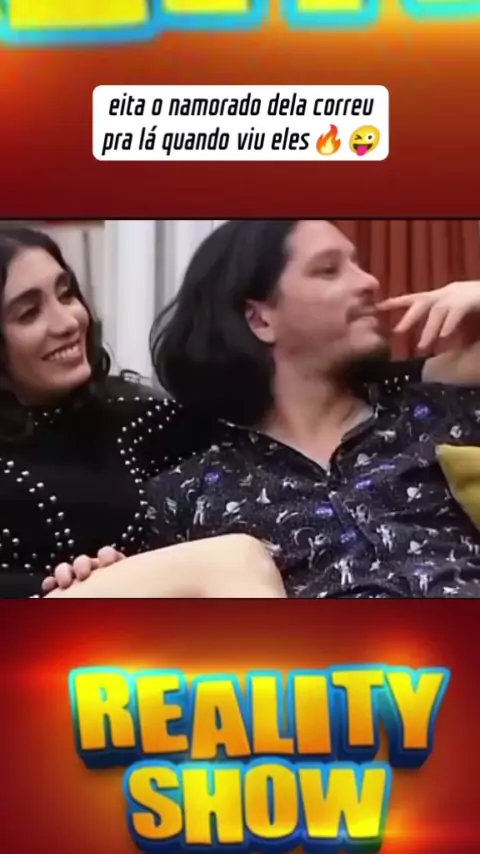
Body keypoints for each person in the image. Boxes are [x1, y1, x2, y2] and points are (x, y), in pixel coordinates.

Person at [46, 219, 480, 599]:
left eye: (357, 264)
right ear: (259, 319)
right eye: (329, 270)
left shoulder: (443, 414)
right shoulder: (187, 496)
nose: (368, 281)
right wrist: (94, 575)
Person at [0, 225, 231, 598]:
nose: (69, 321)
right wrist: (70, 587)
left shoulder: (140, 419)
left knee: (241, 556)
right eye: (29, 313)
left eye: (66, 294)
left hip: (156, 625)